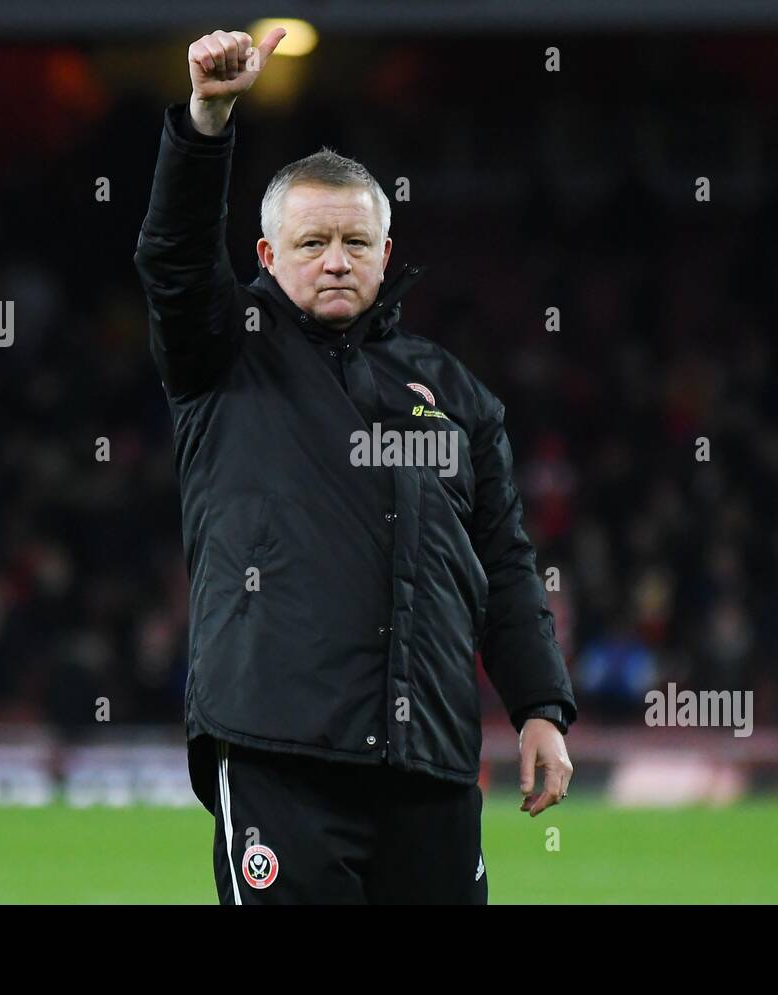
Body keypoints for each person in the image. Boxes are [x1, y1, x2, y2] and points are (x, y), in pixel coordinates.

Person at [133, 26, 576, 904]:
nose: (335, 259)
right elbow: (176, 263)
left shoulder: (456, 393)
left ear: (384, 251)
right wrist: (207, 121)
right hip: (279, 753)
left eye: (354, 241)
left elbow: (505, 564)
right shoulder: (223, 356)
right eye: (310, 243)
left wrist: (538, 706)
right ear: (266, 256)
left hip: (431, 763)